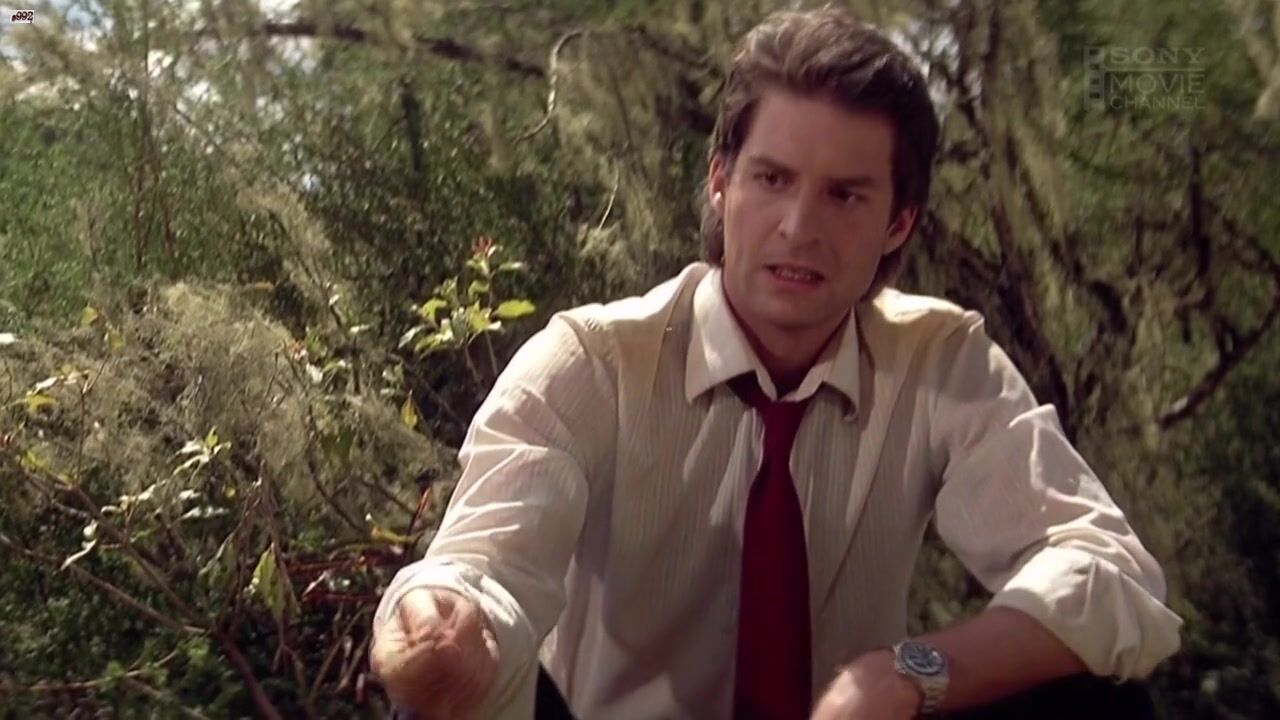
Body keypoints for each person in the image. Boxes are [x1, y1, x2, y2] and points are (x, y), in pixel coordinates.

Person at [370, 7, 1182, 719]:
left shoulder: (939, 360)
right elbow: (486, 566)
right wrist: (446, 621)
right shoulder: (595, 360)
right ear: (721, 182)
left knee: (1094, 697)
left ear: (899, 222)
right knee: (446, 698)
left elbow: (1110, 576)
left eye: (845, 195)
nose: (799, 227)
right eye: (772, 179)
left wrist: (907, 672)